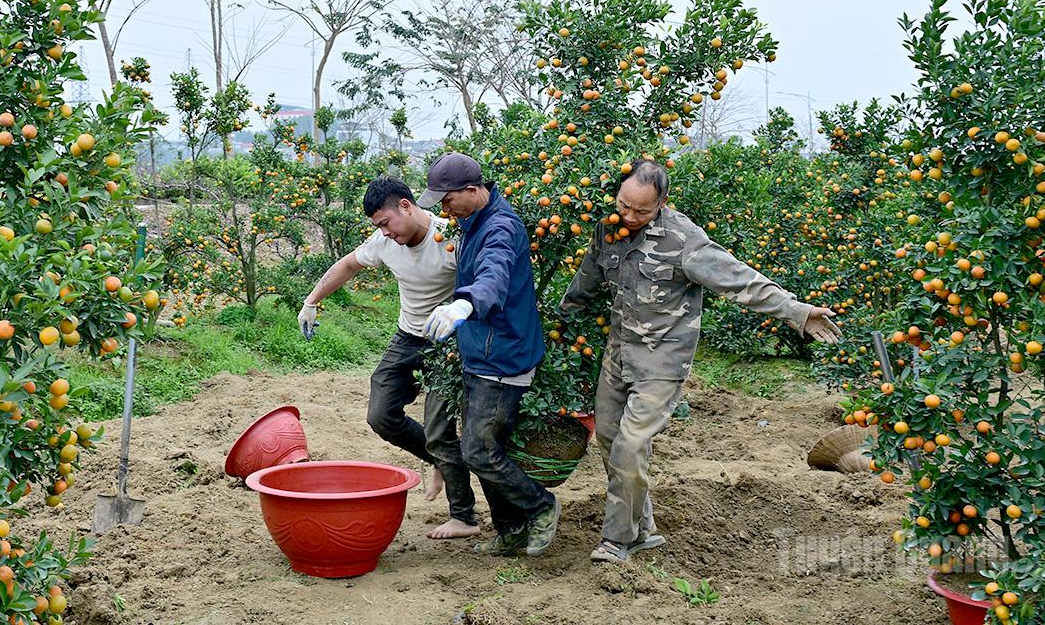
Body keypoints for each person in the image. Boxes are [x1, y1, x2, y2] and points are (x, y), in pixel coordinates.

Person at [562, 158, 842, 564]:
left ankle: (617, 539)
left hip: (663, 359)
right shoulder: (609, 227)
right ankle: (643, 528)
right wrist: (558, 324)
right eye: (625, 205)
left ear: (662, 203)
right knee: (608, 437)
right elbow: (586, 280)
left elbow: (739, 279)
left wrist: (797, 311)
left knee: (632, 442)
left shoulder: (683, 240)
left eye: (642, 210)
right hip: (619, 352)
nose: (630, 216)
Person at [298, 175, 479, 540]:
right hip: (408, 337)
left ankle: (464, 517)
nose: (384, 232)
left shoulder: (450, 239)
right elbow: (348, 264)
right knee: (380, 414)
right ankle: (437, 460)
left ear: (407, 207)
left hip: (449, 343)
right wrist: (311, 301)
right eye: (377, 226)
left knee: (440, 431)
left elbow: (483, 282)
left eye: (386, 223)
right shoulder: (384, 242)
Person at [418, 152, 561, 557]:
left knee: (478, 449)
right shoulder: (473, 222)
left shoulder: (500, 227)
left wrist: (464, 306)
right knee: (484, 447)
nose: (444, 210)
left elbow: (493, 276)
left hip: (504, 357)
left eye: (447, 200)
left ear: (472, 190)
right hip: (481, 353)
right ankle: (511, 529)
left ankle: (541, 505)